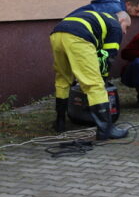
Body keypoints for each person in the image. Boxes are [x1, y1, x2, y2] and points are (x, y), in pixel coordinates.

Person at [51, 10, 131, 140]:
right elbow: (108, 57)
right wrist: (103, 78)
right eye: (127, 27)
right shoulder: (115, 26)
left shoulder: (99, 17)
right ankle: (106, 130)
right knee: (95, 84)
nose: (125, 32)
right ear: (121, 20)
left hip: (57, 33)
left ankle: (60, 122)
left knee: (63, 78)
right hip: (78, 36)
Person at [67, 0, 139, 17]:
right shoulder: (115, 9)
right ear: (128, 4)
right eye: (137, 11)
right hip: (72, 30)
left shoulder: (114, 6)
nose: (138, 15)